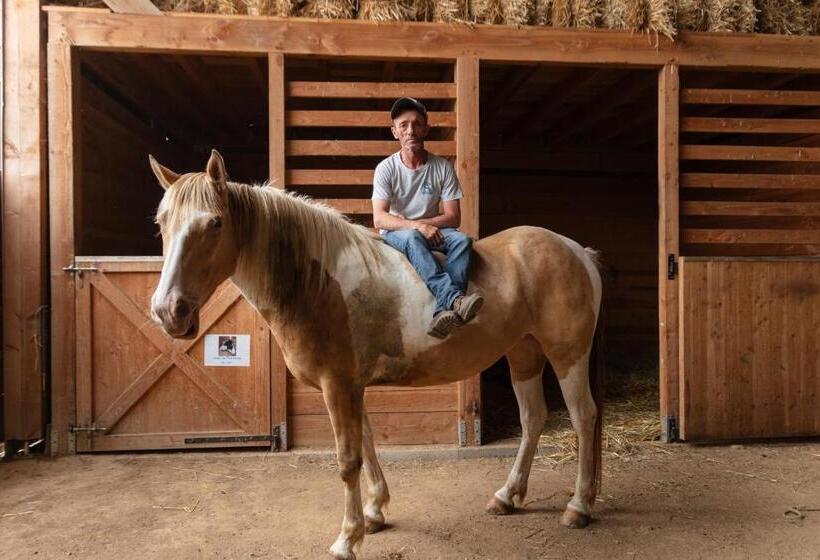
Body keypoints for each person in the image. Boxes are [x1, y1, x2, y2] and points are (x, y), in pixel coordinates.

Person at [372, 97, 483, 339]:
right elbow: (379, 219)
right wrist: (418, 226)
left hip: (433, 229)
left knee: (463, 242)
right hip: (399, 232)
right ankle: (455, 300)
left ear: (426, 129)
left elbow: (453, 217)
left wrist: (425, 226)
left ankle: (443, 312)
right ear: (395, 132)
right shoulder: (386, 169)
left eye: (416, 124)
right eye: (403, 125)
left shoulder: (442, 167)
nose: (410, 130)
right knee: (412, 237)